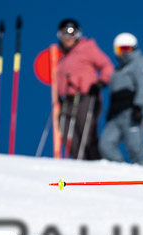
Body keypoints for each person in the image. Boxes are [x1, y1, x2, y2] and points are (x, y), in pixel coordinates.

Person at [56, 19, 114, 160]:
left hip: (86, 97)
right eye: (65, 33)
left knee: (86, 133)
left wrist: (101, 82)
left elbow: (107, 65)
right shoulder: (61, 57)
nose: (68, 38)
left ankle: (96, 164)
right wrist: (59, 94)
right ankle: (80, 165)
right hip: (67, 101)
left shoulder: (87, 48)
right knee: (68, 135)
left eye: (72, 33)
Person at [99, 33, 143, 166]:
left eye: (125, 49)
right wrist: (110, 113)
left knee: (135, 148)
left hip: (132, 111)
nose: (122, 53)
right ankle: (123, 173)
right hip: (117, 114)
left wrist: (138, 106)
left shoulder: (139, 62)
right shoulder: (118, 70)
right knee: (105, 145)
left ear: (132, 48)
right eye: (118, 50)